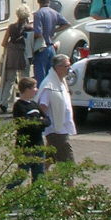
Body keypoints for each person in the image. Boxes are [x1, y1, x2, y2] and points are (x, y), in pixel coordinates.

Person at [39, 54, 77, 182]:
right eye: (67, 66)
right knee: (68, 162)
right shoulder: (49, 85)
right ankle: (70, 192)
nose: (69, 69)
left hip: (61, 128)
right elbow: (42, 107)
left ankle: (39, 179)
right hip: (56, 131)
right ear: (58, 67)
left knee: (50, 158)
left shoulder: (61, 81)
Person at [11, 78, 49, 186]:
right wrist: (39, 122)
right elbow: (27, 125)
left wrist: (39, 122)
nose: (36, 90)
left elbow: (47, 120)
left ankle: (40, 198)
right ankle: (8, 194)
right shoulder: (19, 106)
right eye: (34, 88)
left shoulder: (34, 104)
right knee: (22, 174)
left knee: (39, 174)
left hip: (38, 144)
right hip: (26, 146)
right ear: (27, 89)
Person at [0, 5, 31, 111]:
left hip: (12, 54)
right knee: (24, 80)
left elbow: (4, 43)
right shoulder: (29, 28)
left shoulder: (11, 27)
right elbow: (31, 44)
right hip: (23, 54)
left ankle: (4, 102)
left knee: (10, 80)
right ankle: (24, 102)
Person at [31, 0, 68, 87]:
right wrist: (54, 30)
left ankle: (41, 98)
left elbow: (38, 33)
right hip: (51, 48)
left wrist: (30, 37)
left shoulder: (38, 14)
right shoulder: (54, 12)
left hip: (42, 48)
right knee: (51, 75)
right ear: (48, 1)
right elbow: (67, 24)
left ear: (38, 1)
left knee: (40, 77)